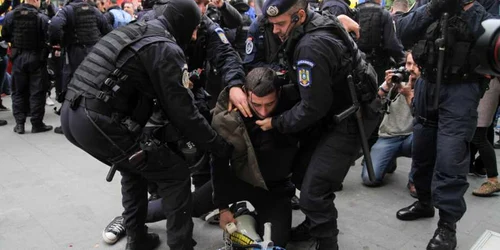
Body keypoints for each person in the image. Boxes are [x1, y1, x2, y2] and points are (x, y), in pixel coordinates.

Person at [60, 0, 232, 249]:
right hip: (97, 120)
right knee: (175, 175)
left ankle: (137, 239)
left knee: (134, 168)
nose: (195, 36)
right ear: (183, 23)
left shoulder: (138, 29)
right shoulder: (165, 47)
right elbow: (183, 112)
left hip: (73, 114)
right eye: (194, 29)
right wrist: (217, 144)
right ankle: (180, 245)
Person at [230, 0, 378, 249]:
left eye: (280, 24)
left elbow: (312, 106)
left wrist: (276, 122)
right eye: (272, 24)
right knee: (301, 171)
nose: (275, 30)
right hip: (334, 109)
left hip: (350, 119)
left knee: (313, 194)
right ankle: (314, 225)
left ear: (299, 16)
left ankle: (326, 242)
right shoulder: (312, 23)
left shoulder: (312, 46)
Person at [102, 67, 302, 247]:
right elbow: (220, 162)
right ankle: (129, 218)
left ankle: (246, 216)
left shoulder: (295, 105)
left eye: (270, 104)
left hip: (275, 188)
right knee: (187, 205)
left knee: (277, 242)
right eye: (257, 104)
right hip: (239, 178)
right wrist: (223, 208)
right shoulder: (230, 116)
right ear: (245, 94)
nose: (263, 111)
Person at [395, 0, 492, 249]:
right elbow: (403, 30)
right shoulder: (433, 7)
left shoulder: (483, 15)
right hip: (427, 85)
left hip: (461, 90)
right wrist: (433, 8)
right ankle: (424, 202)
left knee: (451, 157)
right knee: (422, 149)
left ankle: (447, 225)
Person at [48, 0, 112, 134]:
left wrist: (57, 42)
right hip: (94, 51)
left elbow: (54, 25)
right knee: (94, 84)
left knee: (71, 86)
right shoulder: (93, 10)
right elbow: (107, 29)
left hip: (75, 53)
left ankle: (69, 124)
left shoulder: (67, 10)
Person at [361, 51, 419, 197]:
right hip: (389, 136)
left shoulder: (427, 86)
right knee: (370, 179)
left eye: (416, 65)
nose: (411, 68)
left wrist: (409, 95)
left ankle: (415, 180)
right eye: (408, 63)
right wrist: (386, 87)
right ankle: (389, 159)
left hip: (412, 137)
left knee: (427, 138)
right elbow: (371, 107)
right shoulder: (397, 79)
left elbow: (422, 117)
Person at [2, 0, 53, 134]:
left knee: (18, 91)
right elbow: (50, 35)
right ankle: (37, 124)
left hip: (18, 57)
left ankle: (20, 124)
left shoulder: (11, 15)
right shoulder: (41, 17)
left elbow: (5, 35)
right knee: (37, 91)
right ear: (35, 1)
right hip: (37, 57)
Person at [470, 77, 500, 196]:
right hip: (486, 82)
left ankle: (493, 179)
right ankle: (479, 165)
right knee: (484, 130)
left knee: (479, 133)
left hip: (489, 83)